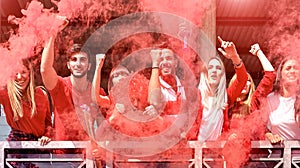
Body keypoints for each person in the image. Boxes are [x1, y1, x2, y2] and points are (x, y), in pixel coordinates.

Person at [0, 59, 52, 167]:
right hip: (16, 147)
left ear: (29, 73)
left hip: (39, 147)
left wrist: (47, 135)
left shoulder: (41, 94)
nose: (19, 77)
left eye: (23, 72)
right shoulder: (5, 94)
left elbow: (48, 124)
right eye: (15, 73)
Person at [228, 43, 276, 131]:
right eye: (241, 81)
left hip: (250, 144)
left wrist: (259, 52)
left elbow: (270, 75)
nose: (245, 83)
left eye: (248, 81)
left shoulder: (253, 102)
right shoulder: (226, 103)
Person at [264, 56, 300, 143]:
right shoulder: (270, 99)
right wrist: (270, 136)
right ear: (280, 74)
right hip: (278, 153)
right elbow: (263, 128)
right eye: (288, 68)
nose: (292, 71)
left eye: (296, 68)